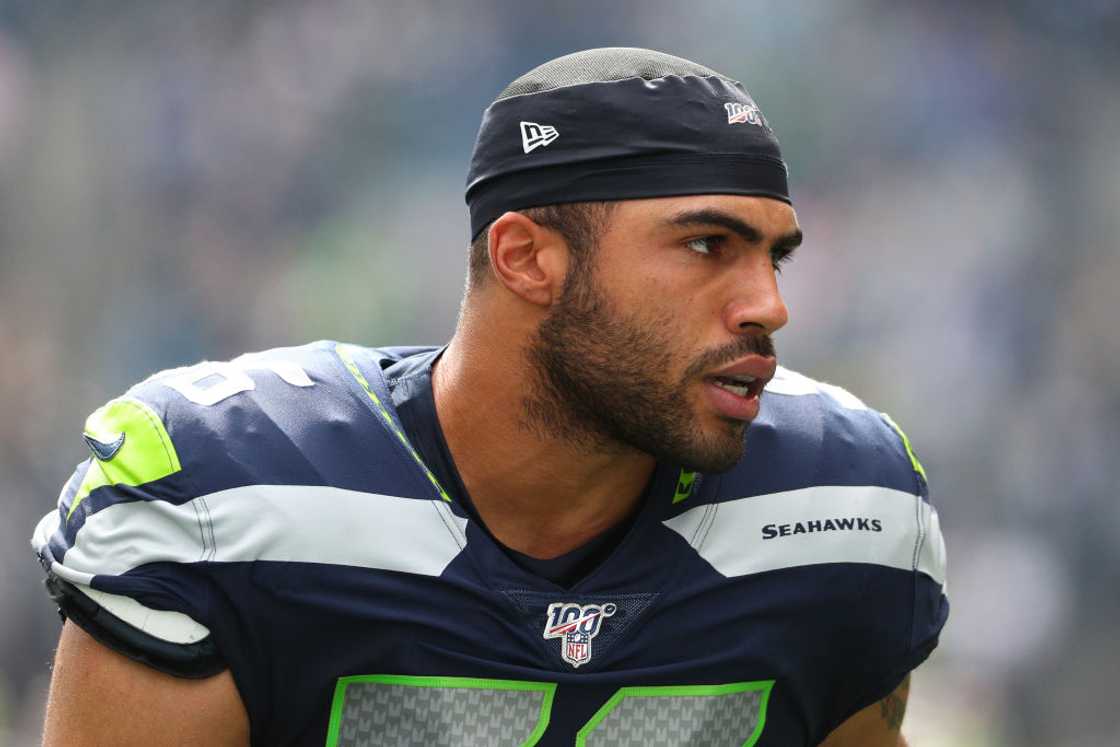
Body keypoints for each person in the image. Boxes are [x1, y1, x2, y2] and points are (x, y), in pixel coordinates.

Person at [32, 47, 948, 746]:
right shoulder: (226, 495)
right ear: (525, 258)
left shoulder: (843, 508)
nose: (770, 306)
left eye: (773, 255)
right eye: (709, 244)